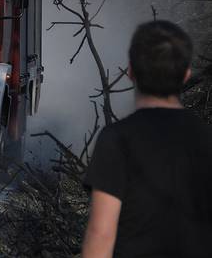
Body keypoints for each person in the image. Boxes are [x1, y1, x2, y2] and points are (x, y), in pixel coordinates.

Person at [82, 20, 212, 258]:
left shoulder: (117, 140)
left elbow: (101, 233)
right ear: (186, 75)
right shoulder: (205, 137)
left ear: (130, 71)